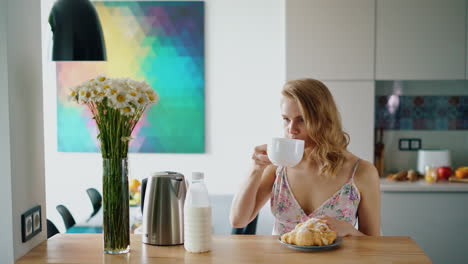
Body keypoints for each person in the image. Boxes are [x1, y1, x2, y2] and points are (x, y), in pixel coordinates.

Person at [229, 78, 381, 237]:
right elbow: (238, 221)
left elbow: (374, 244)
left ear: (324, 120)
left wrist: (350, 231)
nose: (291, 129)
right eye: (286, 119)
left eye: (302, 119)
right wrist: (255, 169)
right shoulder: (278, 166)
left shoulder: (361, 172)